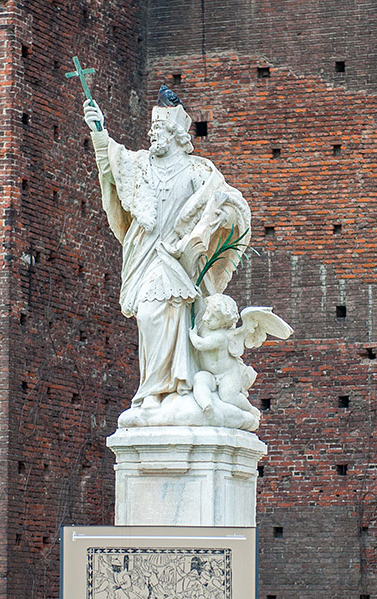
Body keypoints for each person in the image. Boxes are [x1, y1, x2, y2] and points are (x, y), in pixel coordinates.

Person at [83, 93, 251, 416]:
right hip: (147, 254)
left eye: (159, 130)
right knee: (148, 315)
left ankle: (175, 387)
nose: (153, 135)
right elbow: (111, 163)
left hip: (180, 259)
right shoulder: (141, 165)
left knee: (176, 313)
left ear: (176, 136)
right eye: (152, 130)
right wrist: (98, 129)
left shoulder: (198, 171)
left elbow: (230, 204)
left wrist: (219, 221)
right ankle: (152, 389)